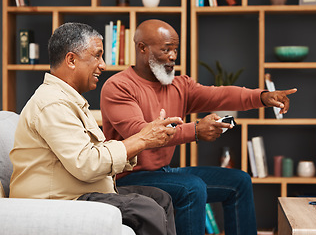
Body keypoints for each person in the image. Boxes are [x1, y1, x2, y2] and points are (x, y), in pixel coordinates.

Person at [100, 19, 297, 235]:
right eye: (166, 49)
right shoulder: (118, 86)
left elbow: (219, 95)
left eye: (175, 50)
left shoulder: (179, 85)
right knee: (192, 188)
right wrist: (194, 131)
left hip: (162, 173)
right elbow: (140, 132)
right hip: (127, 178)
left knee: (239, 181)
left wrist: (262, 97)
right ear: (142, 48)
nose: (173, 56)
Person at [9, 22, 184, 235]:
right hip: (58, 200)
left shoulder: (70, 101)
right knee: (146, 209)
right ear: (71, 60)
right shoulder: (51, 103)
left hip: (83, 190)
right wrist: (141, 140)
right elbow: (86, 163)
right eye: (97, 55)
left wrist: (140, 141)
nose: (103, 65)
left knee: (160, 198)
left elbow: (90, 153)